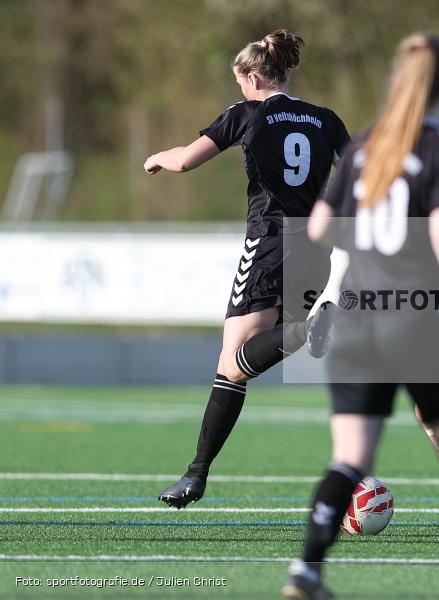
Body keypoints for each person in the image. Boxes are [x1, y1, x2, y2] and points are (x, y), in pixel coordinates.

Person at [282, 34, 439, 600]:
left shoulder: (363, 147)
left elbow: (317, 228)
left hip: (358, 319)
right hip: (416, 319)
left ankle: (306, 573)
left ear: (396, 82)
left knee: (351, 458)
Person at [143, 29, 350, 509]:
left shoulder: (247, 113)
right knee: (248, 358)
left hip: (269, 245)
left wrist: (157, 158)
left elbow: (187, 161)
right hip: (316, 249)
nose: (239, 90)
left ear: (253, 76)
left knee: (230, 366)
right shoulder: (325, 119)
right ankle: (303, 329)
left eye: (241, 82)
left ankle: (195, 475)